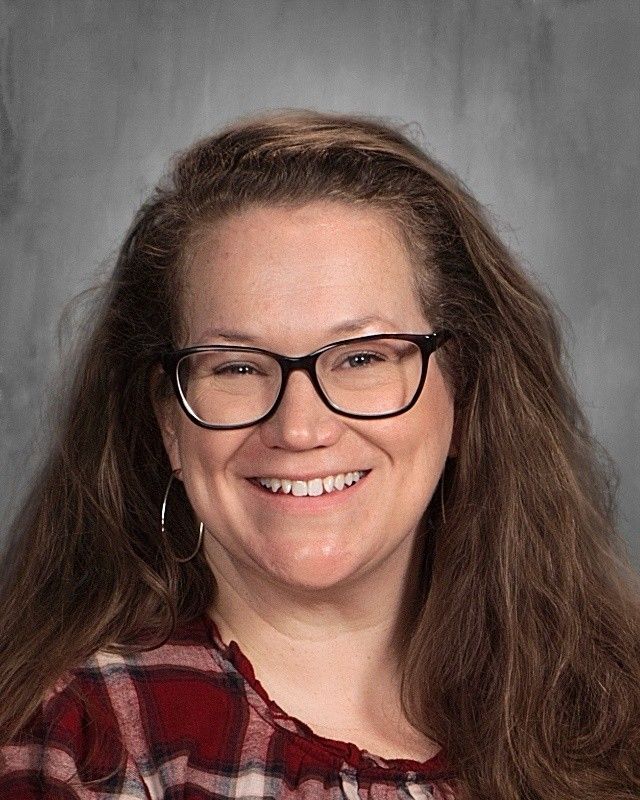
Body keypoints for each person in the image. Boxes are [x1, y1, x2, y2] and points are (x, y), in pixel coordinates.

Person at [0, 109, 638, 800]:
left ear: (466, 393)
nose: (300, 428)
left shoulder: (613, 715)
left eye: (362, 357)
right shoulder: (80, 742)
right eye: (238, 367)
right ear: (168, 424)